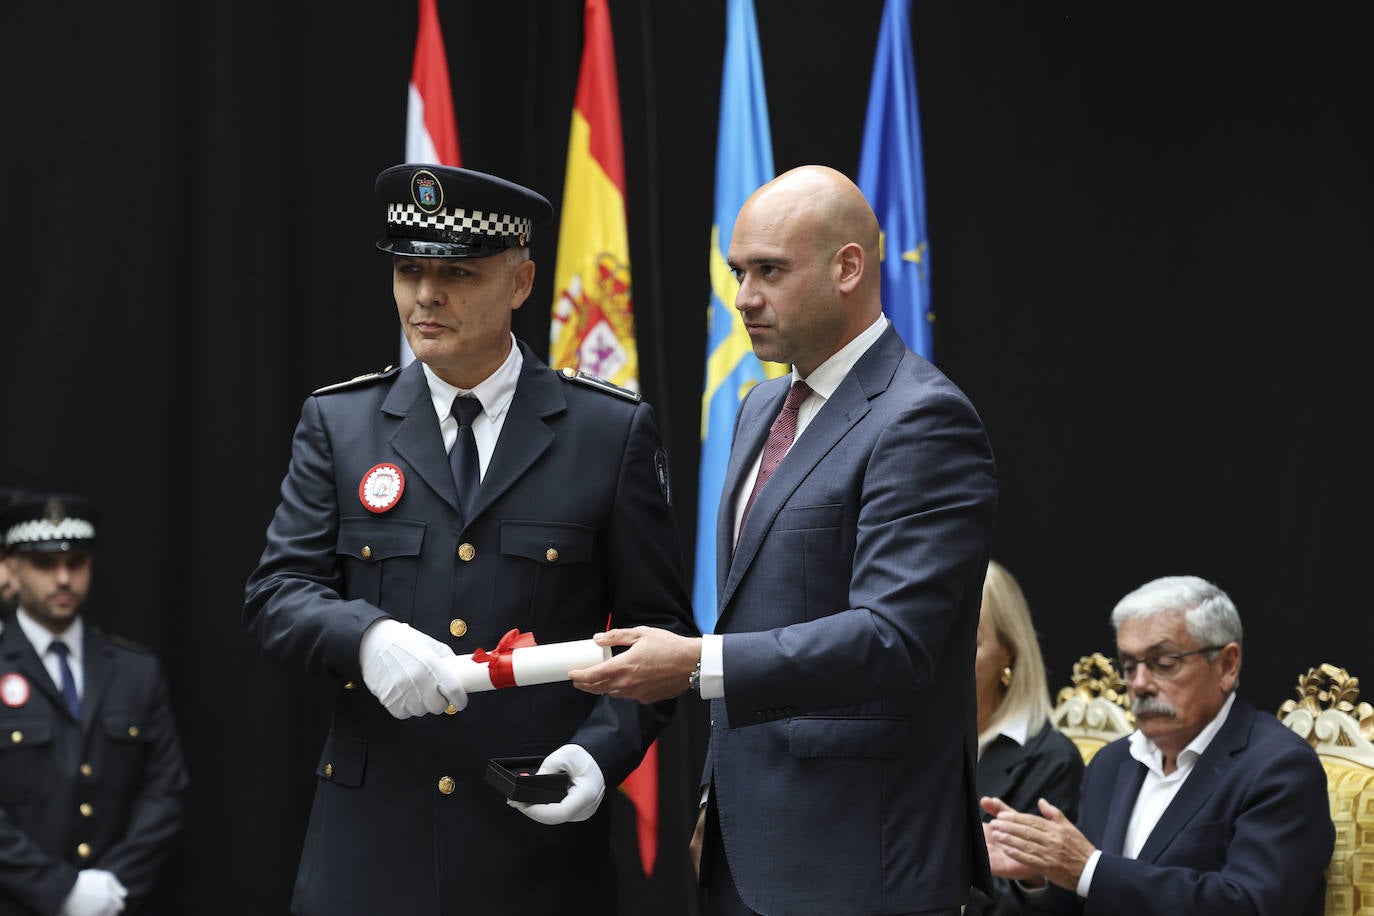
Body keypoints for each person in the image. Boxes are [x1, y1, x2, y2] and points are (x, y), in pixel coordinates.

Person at [243, 163, 696, 916]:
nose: (425, 294)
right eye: (409, 269)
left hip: (534, 846)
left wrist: (599, 752)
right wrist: (366, 635)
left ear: (519, 283)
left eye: (456, 270)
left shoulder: (606, 432)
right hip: (372, 849)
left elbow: (662, 634)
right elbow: (276, 598)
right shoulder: (341, 424)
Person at [569, 165, 999, 915]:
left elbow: (895, 639)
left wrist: (695, 664)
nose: (743, 297)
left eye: (769, 270)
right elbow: (752, 615)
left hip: (862, 861)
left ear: (847, 267)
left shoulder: (923, 419)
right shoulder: (761, 404)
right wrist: (718, 791)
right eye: (738, 272)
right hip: (745, 843)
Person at [981, 575, 1334, 915]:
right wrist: (1040, 875)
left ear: (1227, 665)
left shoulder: (1278, 767)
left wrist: (1089, 869)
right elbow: (1089, 899)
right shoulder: (1111, 763)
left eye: (1163, 663)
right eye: (1129, 665)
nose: (1140, 684)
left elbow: (1248, 905)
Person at [0, 493, 187, 916]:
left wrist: (110, 887)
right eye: (45, 564)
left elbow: (165, 791)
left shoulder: (136, 671)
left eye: (76, 562)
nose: (63, 578)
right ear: (13, 567)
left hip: (115, 903)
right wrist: (61, 891)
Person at [966, 560, 1084, 916]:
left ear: (1009, 653)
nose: (943, 658)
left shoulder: (1050, 759)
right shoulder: (904, 740)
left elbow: (1031, 904)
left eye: (967, 643)